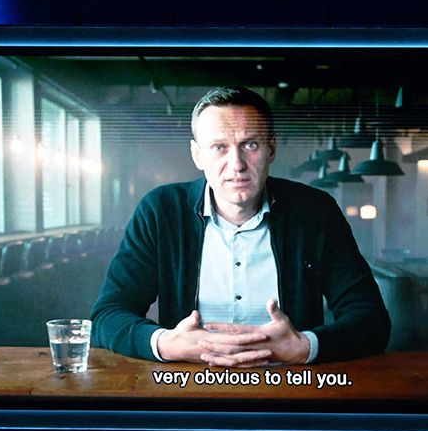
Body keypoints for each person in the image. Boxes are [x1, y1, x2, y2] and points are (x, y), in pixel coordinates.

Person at [91, 86, 390, 364]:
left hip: (292, 387)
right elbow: (107, 316)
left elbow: (372, 321)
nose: (236, 164)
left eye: (250, 144)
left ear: (271, 149)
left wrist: (305, 346)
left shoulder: (316, 212)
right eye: (219, 147)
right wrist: (166, 343)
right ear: (198, 155)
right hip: (187, 387)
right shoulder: (160, 211)